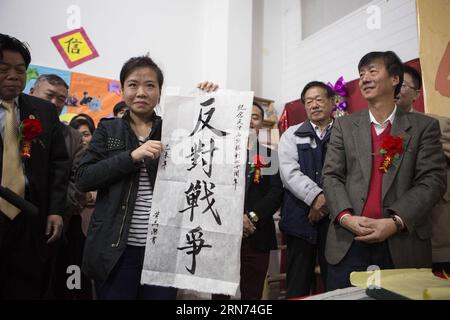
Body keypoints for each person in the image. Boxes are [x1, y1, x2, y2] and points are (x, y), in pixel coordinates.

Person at [75, 54, 217, 300]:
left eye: (150, 85)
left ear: (160, 92)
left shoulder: (174, 129)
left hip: (163, 251)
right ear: (122, 90)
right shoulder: (108, 129)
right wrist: (132, 156)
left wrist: (205, 101)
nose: (141, 92)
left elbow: (205, 157)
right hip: (116, 251)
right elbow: (84, 178)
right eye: (133, 84)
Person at [322, 51, 447, 290]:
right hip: (348, 241)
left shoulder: (423, 128)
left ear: (394, 79)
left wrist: (396, 221)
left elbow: (432, 181)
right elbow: (331, 176)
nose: (364, 79)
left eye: (372, 71)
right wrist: (345, 217)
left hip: (402, 243)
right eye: (361, 74)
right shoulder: (344, 126)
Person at [0, 33, 69, 299]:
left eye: (20, 70)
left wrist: (55, 210)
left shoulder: (43, 111)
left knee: (24, 285)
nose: (13, 75)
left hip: (30, 213)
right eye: (4, 69)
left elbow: (58, 164)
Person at [29, 74, 86, 299]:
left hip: (53, 225)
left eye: (61, 99)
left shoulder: (73, 137)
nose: (54, 103)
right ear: (32, 93)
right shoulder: (14, 121)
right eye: (49, 95)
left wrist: (55, 209)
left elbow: (78, 181)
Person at [278, 81, 334, 298]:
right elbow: (289, 172)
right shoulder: (292, 134)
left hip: (335, 221)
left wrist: (325, 202)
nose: (314, 105)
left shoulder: (344, 132)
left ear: (331, 102)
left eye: (319, 99)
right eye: (309, 101)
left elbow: (349, 174)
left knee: (335, 280)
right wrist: (315, 197)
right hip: (299, 219)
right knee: (297, 284)